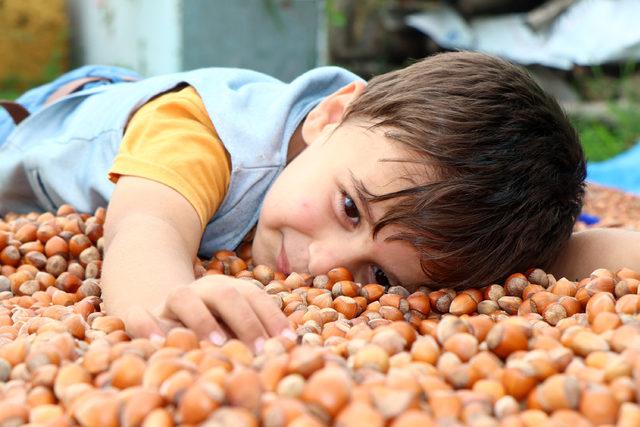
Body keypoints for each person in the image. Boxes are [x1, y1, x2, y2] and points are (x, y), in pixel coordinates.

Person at [0, 52, 637, 352]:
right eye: (350, 210)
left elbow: (563, 249)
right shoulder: (199, 139)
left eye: (381, 276)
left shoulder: (382, 172)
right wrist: (167, 300)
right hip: (50, 122)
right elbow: (143, 228)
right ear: (333, 115)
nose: (326, 263)